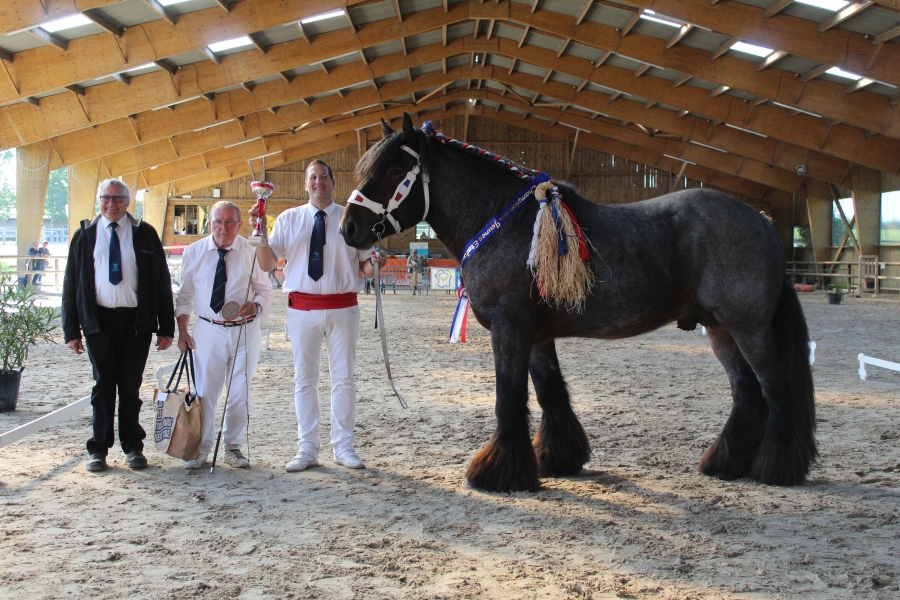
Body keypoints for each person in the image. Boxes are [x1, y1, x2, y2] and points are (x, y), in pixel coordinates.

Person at [251, 159, 385, 473]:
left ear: (332, 183)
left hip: (343, 308)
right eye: (313, 177)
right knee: (304, 380)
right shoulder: (288, 219)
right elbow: (268, 263)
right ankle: (307, 448)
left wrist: (375, 261)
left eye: (324, 177)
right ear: (305, 183)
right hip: (302, 309)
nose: (319, 182)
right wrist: (257, 236)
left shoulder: (351, 218)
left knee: (344, 379)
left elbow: (364, 267)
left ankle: (344, 447)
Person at [62, 178, 175, 473]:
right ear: (100, 200)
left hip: (136, 321)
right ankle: (98, 449)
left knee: (130, 386)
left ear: (128, 202)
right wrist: (71, 330)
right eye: (106, 198)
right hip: (98, 321)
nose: (111, 204)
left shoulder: (145, 234)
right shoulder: (85, 234)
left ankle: (133, 447)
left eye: (117, 198)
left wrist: (166, 327)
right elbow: (71, 284)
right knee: (102, 386)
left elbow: (162, 282)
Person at [175, 201, 274, 470]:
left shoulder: (250, 251)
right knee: (206, 390)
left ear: (239, 225)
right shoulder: (193, 252)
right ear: (210, 224)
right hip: (208, 329)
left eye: (230, 222)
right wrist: (182, 331)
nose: (224, 228)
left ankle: (233, 447)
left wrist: (256, 306)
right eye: (218, 222)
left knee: (240, 391)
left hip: (245, 331)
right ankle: (202, 448)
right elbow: (184, 297)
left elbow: (266, 290)